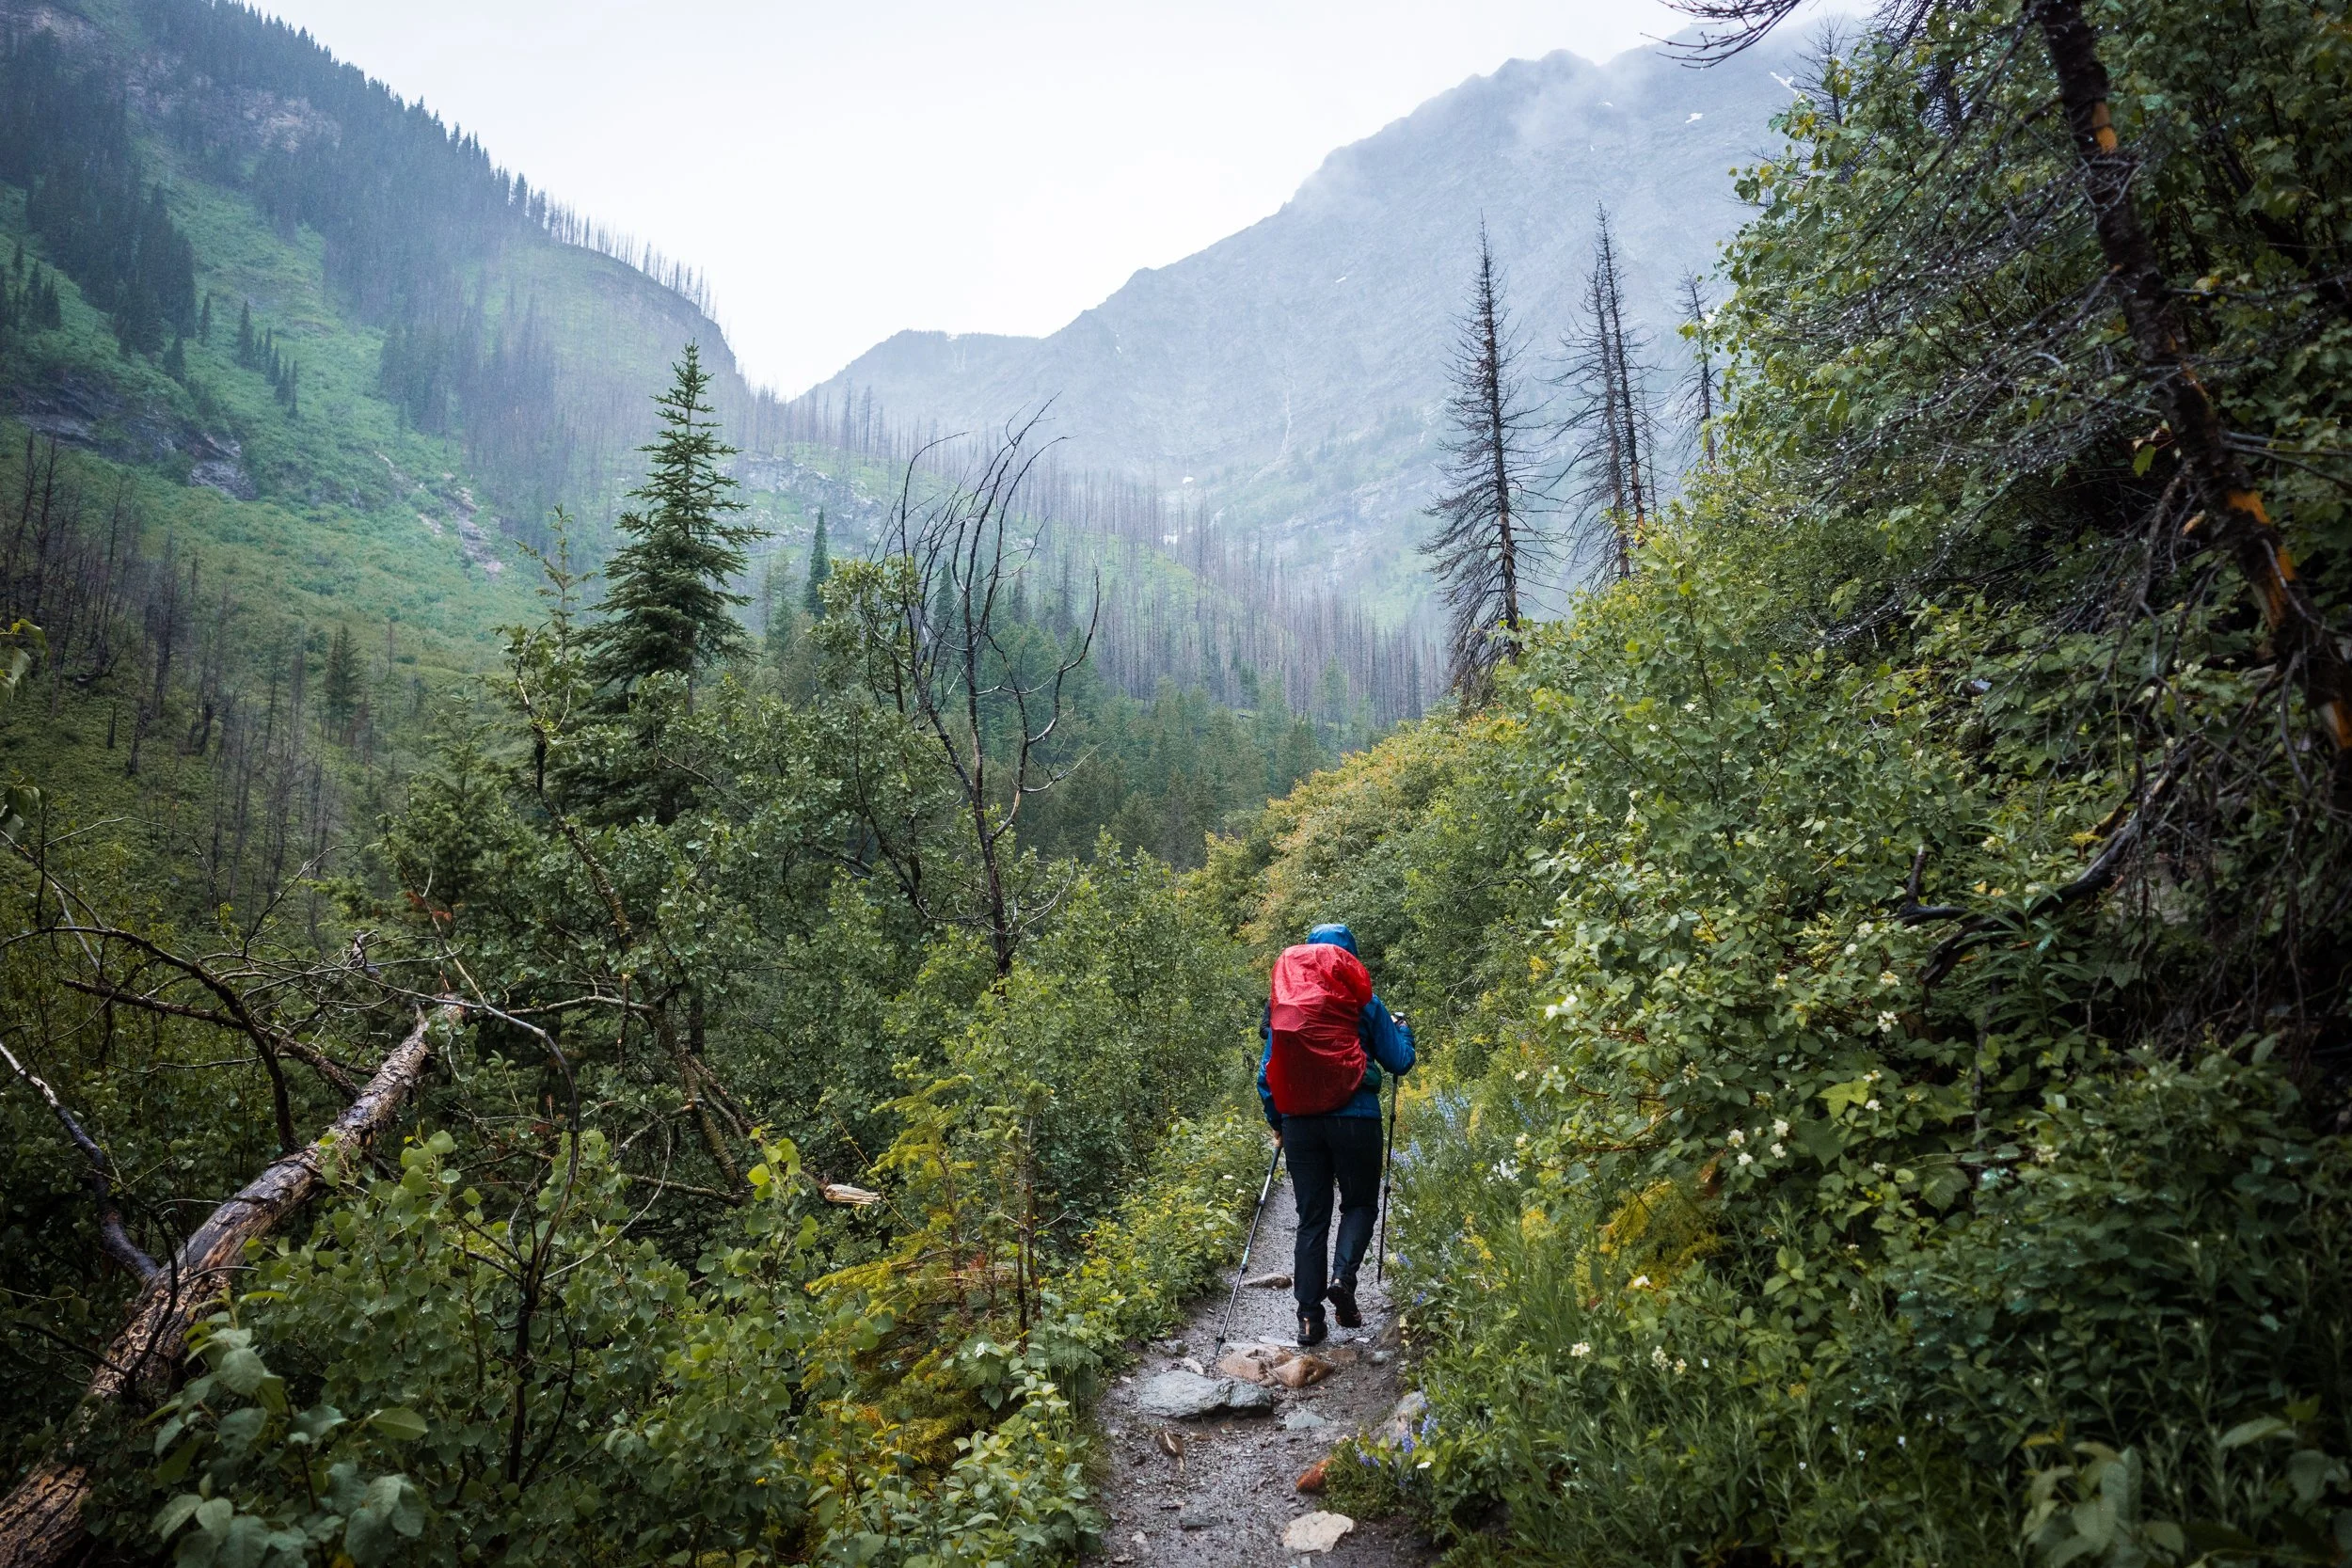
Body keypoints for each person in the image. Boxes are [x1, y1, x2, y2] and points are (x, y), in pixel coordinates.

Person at [1258, 922, 1413, 1346]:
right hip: (1356, 1118)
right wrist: (1403, 1031)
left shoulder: (1285, 1006)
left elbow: (1267, 1074)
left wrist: (1279, 1121)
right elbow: (1399, 1061)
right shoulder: (1365, 1003)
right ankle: (1343, 1278)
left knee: (1311, 1218)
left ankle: (1309, 1319)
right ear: (1350, 960)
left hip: (1301, 1123)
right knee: (1360, 1202)